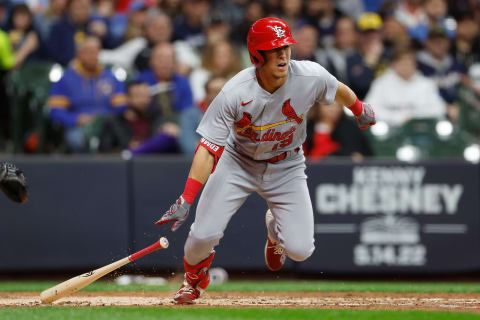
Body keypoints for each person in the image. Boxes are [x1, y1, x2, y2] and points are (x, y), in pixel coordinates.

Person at [154, 17, 375, 304]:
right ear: (257, 55)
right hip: (238, 162)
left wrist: (359, 108)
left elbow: (337, 88)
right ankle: (194, 281)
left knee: (300, 250)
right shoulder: (235, 92)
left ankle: (275, 232)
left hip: (287, 166)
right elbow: (208, 148)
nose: (283, 54)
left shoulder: (309, 75)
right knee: (201, 236)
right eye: (274, 49)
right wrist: (186, 198)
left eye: (285, 47)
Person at [47, 36, 127, 152]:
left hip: (108, 124)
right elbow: (55, 109)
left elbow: (121, 105)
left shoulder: (111, 77)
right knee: (76, 139)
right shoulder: (66, 78)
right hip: (79, 125)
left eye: (96, 52)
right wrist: (76, 119)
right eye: (88, 52)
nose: (93, 56)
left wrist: (103, 118)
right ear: (79, 54)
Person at [365, 46, 445, 127]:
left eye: (409, 62)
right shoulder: (381, 84)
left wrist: (412, 117)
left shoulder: (426, 84)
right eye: (402, 62)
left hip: (420, 130)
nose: (406, 66)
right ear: (393, 64)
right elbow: (368, 111)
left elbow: (439, 109)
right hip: (390, 131)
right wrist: (397, 118)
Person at [304, 102, 373, 161]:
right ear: (318, 107)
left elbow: (358, 154)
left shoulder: (350, 127)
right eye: (329, 105)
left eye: (337, 106)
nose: (333, 109)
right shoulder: (307, 127)